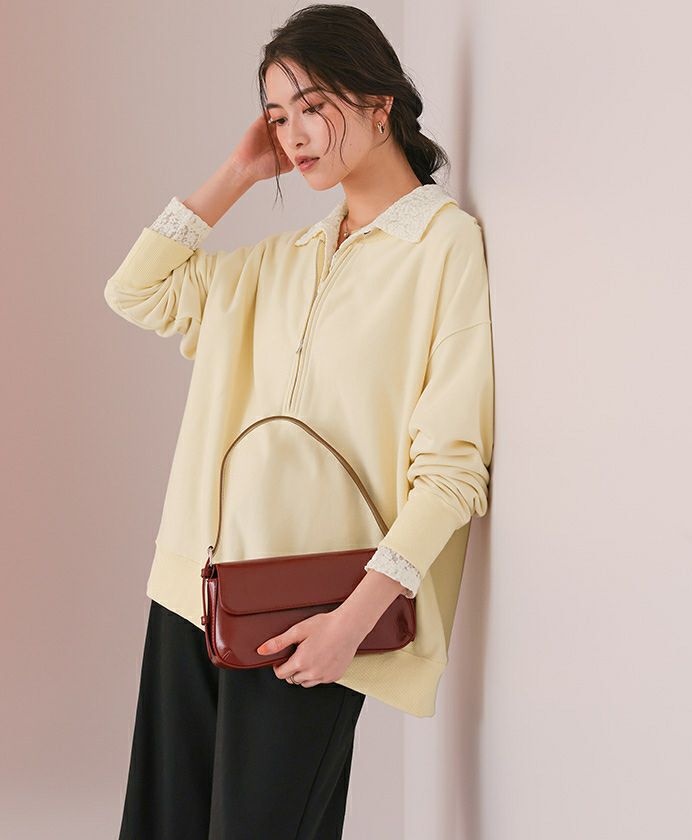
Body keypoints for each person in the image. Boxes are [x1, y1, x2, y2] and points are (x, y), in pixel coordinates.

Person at [104, 5, 495, 838]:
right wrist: (237, 174)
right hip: (194, 589)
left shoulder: (444, 247)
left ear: (380, 102)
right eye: (279, 116)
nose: (295, 133)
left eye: (313, 106)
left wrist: (353, 622)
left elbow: (453, 470)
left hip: (312, 613)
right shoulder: (278, 263)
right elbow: (135, 291)